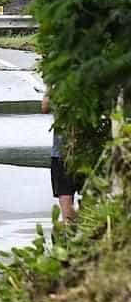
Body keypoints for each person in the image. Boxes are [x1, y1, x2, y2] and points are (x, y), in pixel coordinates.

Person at [42, 89, 83, 222]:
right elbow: (45, 107)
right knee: (67, 203)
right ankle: (72, 233)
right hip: (63, 155)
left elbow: (45, 107)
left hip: (84, 153)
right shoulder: (61, 84)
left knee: (86, 202)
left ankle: (77, 234)